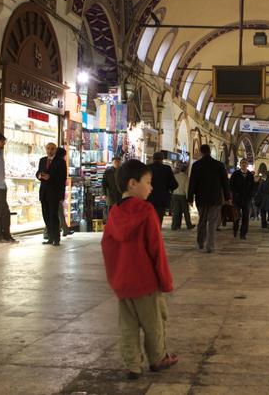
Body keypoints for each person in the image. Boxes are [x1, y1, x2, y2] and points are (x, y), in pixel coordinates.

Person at [101, 159, 178, 380]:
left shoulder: (114, 212)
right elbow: (157, 250)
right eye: (148, 182)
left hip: (123, 283)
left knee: (128, 325)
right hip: (145, 282)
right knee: (154, 323)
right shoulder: (146, 211)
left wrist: (115, 277)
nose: (151, 187)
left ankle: (132, 364)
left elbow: (107, 248)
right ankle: (158, 358)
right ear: (133, 183)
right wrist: (165, 280)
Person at [188, 145, 230, 253]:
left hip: (201, 198)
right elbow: (225, 183)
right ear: (210, 152)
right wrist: (227, 197)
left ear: (201, 152)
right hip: (215, 199)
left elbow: (192, 182)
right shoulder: (219, 165)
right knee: (212, 222)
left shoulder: (196, 165)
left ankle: (201, 242)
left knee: (202, 221)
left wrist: (189, 197)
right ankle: (210, 246)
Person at [37, 143, 67, 246]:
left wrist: (50, 177)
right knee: (46, 215)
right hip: (44, 192)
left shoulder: (60, 162)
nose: (50, 151)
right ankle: (50, 237)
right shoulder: (42, 160)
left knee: (53, 215)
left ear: (55, 150)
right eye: (48, 149)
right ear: (46, 149)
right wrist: (39, 175)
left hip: (54, 193)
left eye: (52, 149)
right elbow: (38, 173)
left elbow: (62, 178)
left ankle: (56, 238)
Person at [148, 152, 178, 224]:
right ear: (162, 159)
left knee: (148, 221)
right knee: (158, 221)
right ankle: (156, 234)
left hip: (148, 198)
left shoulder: (147, 168)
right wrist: (168, 189)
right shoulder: (166, 169)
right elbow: (174, 185)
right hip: (161, 200)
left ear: (153, 158)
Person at [229, 159, 255, 239]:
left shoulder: (250, 175)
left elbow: (253, 187)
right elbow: (231, 185)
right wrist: (235, 193)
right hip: (237, 199)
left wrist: (250, 195)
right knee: (236, 216)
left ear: (247, 165)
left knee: (246, 217)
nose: (244, 164)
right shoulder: (235, 174)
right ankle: (235, 228)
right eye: (242, 163)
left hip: (246, 199)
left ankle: (243, 233)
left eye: (245, 163)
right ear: (240, 165)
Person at [171, 164, 194, 230]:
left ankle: (174, 226)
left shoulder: (175, 176)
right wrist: (189, 199)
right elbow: (187, 189)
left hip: (175, 195)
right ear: (186, 170)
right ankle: (189, 225)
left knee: (176, 211)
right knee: (186, 211)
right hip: (182, 196)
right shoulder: (186, 178)